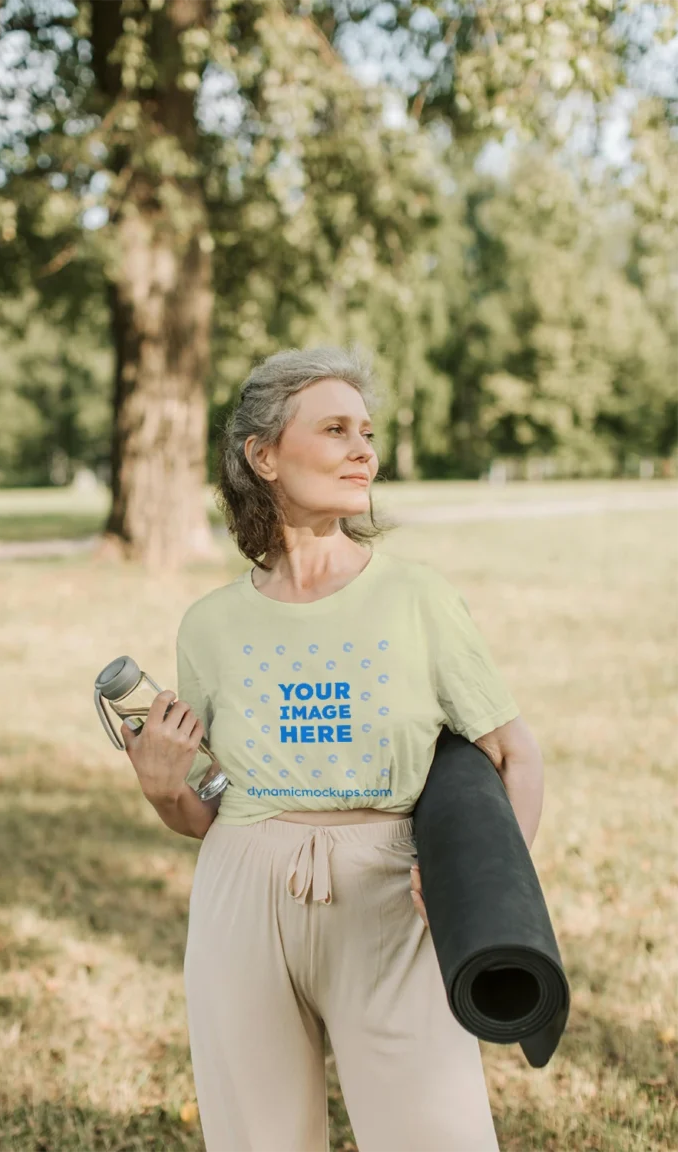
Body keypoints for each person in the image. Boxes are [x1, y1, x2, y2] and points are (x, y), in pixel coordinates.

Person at [121, 346, 545, 1152]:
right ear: (264, 455)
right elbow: (201, 812)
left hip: (392, 889)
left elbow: (514, 752)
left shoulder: (416, 597)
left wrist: (486, 896)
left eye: (368, 432)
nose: (364, 451)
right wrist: (162, 785)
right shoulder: (209, 626)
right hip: (241, 891)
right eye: (337, 429)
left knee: (437, 1136)